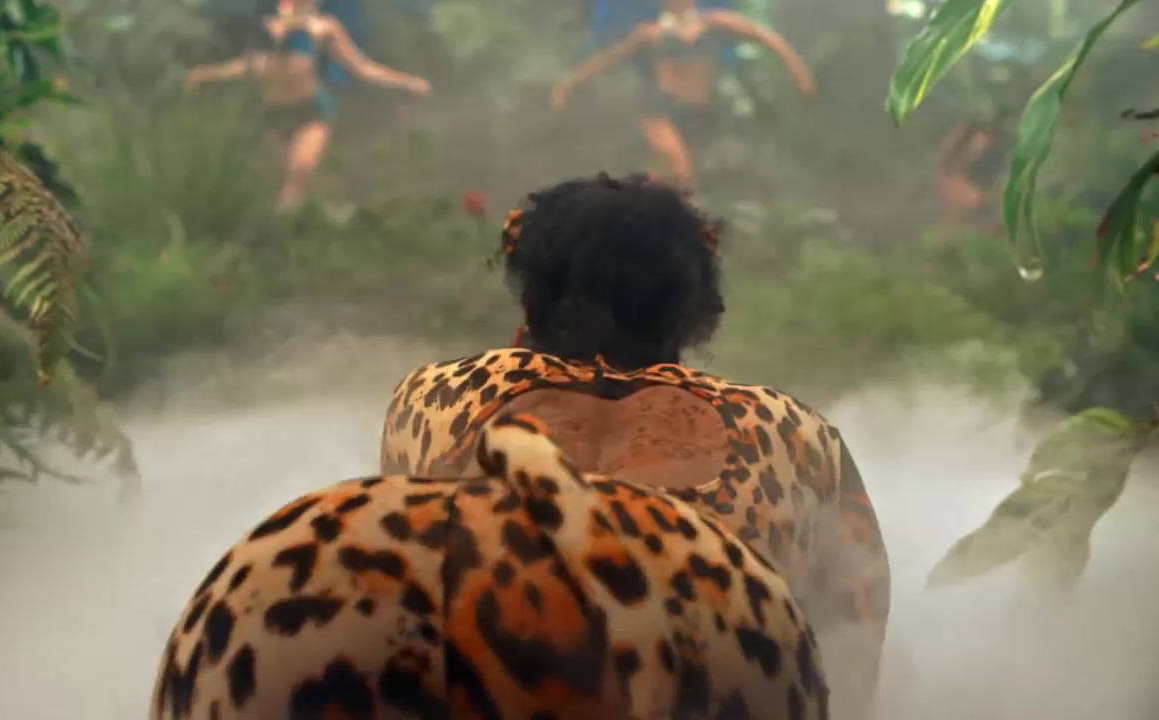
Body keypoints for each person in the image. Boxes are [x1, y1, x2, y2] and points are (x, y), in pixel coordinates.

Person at [381, 172, 890, 719]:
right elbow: (850, 644)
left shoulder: (436, 399)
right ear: (692, 304)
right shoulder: (791, 433)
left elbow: (399, 600)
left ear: (533, 291)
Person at [185, 0, 431, 209]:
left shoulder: (323, 27)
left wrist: (406, 82)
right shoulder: (267, 25)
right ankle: (332, 216)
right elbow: (249, 65)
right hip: (275, 114)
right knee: (293, 182)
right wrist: (208, 74)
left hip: (310, 110)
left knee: (299, 173)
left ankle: (280, 230)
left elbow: (360, 66)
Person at [551, 0, 816, 191]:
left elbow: (766, 38)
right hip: (658, 107)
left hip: (700, 111)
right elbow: (609, 59)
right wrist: (569, 84)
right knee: (681, 168)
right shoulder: (650, 33)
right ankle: (687, 231)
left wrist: (799, 73)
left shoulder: (714, 22)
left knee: (672, 175)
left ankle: (643, 212)